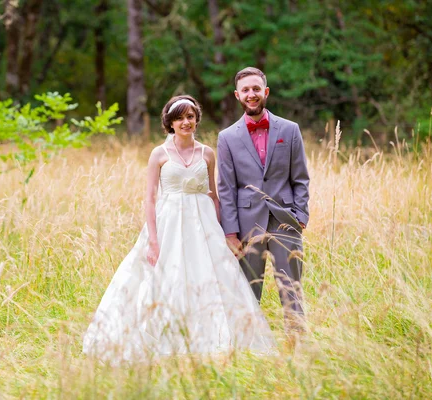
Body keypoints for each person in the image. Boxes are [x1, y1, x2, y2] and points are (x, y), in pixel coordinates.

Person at [83, 95, 275, 363]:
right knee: (164, 274)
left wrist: (225, 233)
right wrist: (153, 240)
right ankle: (160, 335)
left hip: (202, 222)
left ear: (196, 120)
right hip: (169, 221)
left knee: (208, 274)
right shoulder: (158, 154)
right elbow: (150, 198)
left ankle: (213, 337)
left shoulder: (207, 152)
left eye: (190, 117)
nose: (186, 122)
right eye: (180, 118)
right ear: (170, 123)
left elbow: (213, 193)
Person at [217, 67, 310, 337]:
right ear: (237, 95)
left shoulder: (290, 130)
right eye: (245, 90)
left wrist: (300, 216)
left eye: (256, 89)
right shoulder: (227, 137)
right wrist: (231, 233)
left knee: (291, 291)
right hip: (247, 226)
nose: (251, 94)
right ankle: (247, 349)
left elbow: (301, 178)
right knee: (247, 293)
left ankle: (297, 347)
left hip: (286, 223)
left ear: (265, 92)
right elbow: (226, 188)